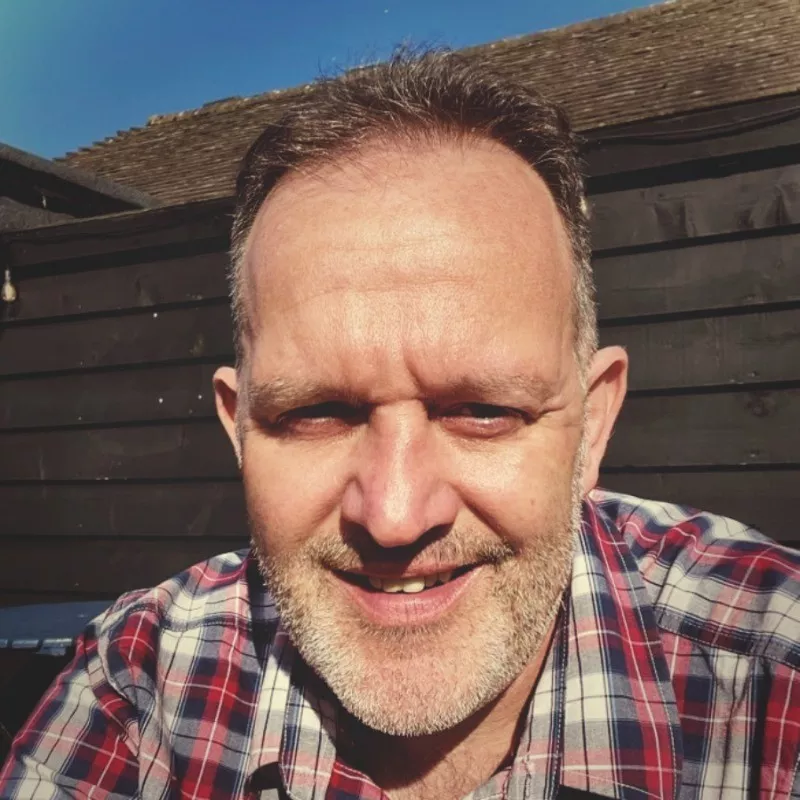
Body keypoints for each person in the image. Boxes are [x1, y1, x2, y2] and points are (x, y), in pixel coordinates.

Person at [2, 50, 799, 800]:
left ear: (592, 424)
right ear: (238, 428)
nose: (393, 515)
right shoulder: (139, 685)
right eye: (316, 412)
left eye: (483, 411)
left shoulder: (774, 675)